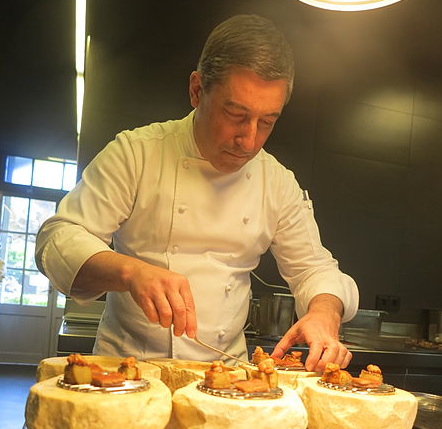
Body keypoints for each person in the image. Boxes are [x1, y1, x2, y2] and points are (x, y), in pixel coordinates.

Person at [35, 14, 358, 372]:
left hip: (224, 378)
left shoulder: (277, 182)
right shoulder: (137, 153)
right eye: (235, 114)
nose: (249, 140)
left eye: (267, 122)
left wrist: (324, 313)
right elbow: (58, 239)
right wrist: (130, 272)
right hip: (127, 369)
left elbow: (315, 268)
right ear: (197, 90)